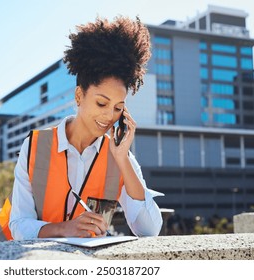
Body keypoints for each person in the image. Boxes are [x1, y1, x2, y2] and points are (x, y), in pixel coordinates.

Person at [8, 16, 163, 240]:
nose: (109, 116)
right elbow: (19, 224)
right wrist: (65, 229)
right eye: (101, 103)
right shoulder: (34, 146)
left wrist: (123, 160)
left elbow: (149, 231)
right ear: (79, 95)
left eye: (118, 108)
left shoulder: (120, 157)